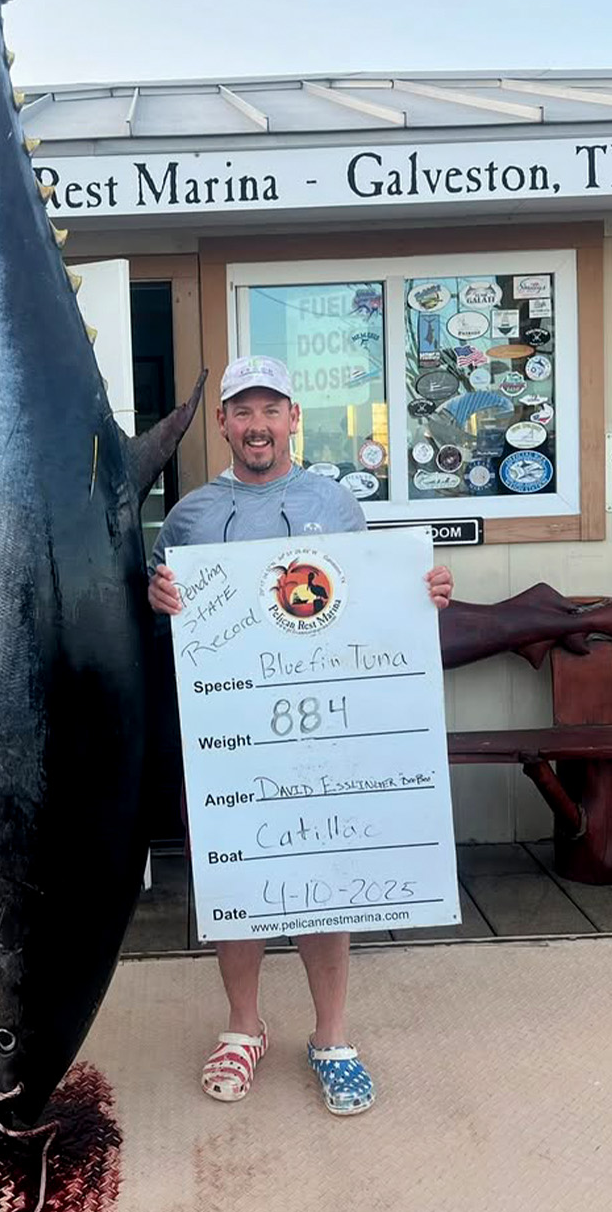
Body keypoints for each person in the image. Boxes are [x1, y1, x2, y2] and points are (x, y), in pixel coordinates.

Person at [147, 354, 452, 1117]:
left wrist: (421, 594)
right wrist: (158, 601)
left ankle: (332, 1038)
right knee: (237, 874)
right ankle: (243, 1027)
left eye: (270, 410)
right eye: (242, 411)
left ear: (292, 419)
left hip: (321, 732)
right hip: (230, 734)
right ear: (223, 424)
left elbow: (365, 603)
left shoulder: (334, 502)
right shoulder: (188, 517)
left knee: (326, 877)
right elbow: (162, 624)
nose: (257, 426)